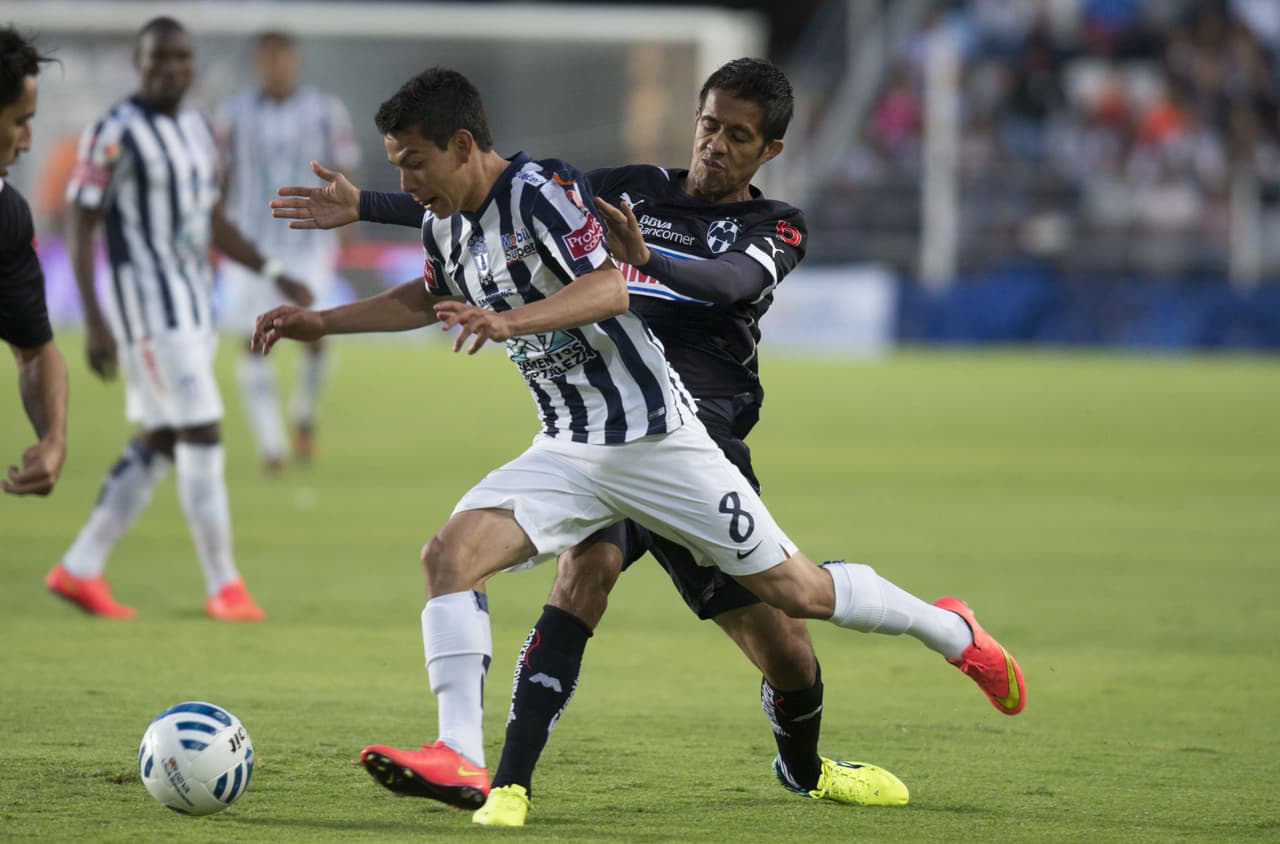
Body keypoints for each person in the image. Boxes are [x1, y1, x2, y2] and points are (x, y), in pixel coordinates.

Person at [254, 66, 1025, 819]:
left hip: (665, 440)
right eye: (708, 124)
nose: (714, 143)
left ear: (769, 150)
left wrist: (515, 318)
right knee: (451, 558)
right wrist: (327, 309)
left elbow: (628, 287)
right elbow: (432, 288)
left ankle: (950, 628)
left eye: (738, 134)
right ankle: (465, 757)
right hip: (570, 447)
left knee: (799, 597)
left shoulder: (732, 217)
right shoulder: (486, 210)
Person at [45, 17, 312, 621]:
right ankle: (226, 586)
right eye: (158, 58)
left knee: (163, 437)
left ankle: (80, 566)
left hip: (193, 305)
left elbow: (210, 220)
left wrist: (273, 268)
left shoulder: (196, 127)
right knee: (203, 428)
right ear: (138, 64)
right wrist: (93, 319)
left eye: (181, 58)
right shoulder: (112, 133)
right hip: (146, 311)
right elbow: (80, 221)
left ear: (193, 65)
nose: (171, 68)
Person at [214, 30, 358, 474]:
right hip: (250, 245)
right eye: (266, 57)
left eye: (282, 56)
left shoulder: (325, 111)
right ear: (257, 61)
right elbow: (220, 178)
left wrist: (349, 218)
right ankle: (272, 445)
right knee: (252, 340)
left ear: (294, 59)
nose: (274, 65)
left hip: (309, 240)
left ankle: (303, 412)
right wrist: (214, 230)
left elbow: (344, 166)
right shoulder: (232, 114)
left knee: (314, 332)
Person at [1, 25, 67, 498]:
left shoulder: (7, 215)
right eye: (21, 120)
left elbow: (34, 350)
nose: (27, 141)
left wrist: (53, 439)